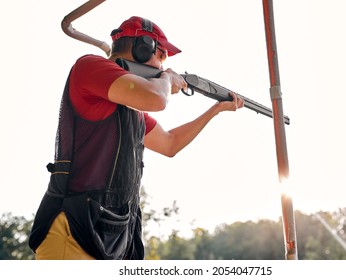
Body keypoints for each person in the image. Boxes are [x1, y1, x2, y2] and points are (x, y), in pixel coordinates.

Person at [29, 16, 244, 260]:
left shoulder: (131, 112)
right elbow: (157, 99)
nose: (163, 66)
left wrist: (215, 110)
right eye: (161, 55)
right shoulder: (90, 66)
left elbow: (170, 144)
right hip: (73, 232)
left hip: (110, 233)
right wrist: (166, 80)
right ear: (143, 48)